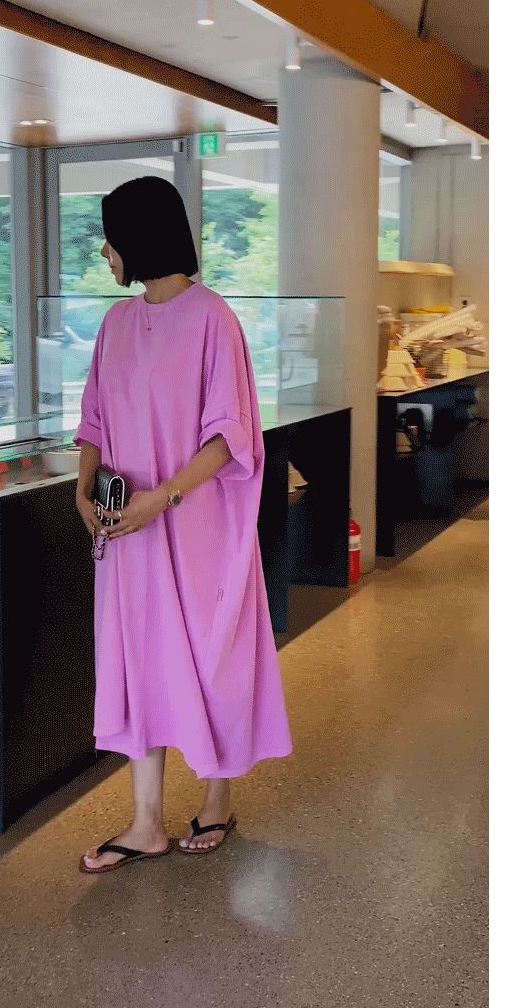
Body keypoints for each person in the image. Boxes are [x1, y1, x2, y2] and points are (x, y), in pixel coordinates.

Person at [73, 176, 292, 874]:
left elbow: (230, 435)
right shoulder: (115, 324)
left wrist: (161, 498)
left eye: (110, 238)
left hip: (197, 527)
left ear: (138, 238)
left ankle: (218, 799)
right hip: (129, 534)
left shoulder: (212, 319)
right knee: (140, 658)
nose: (105, 252)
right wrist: (84, 486)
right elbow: (94, 419)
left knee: (210, 656)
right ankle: (145, 821)